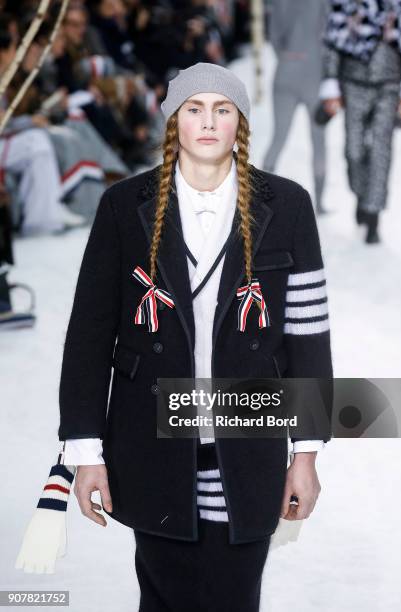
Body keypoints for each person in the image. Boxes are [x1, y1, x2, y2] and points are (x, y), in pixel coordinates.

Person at [58, 62, 333, 611]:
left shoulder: (287, 205)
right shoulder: (124, 207)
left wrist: (306, 453)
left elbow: (307, 332)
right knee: (163, 598)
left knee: (235, 596)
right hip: (150, 444)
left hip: (248, 441)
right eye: (194, 109)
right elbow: (89, 335)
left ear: (240, 124)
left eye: (222, 109)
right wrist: (85, 452)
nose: (208, 122)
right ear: (173, 123)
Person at [319, 0, 401, 244]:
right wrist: (330, 84)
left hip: (389, 83)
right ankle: (362, 194)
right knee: (353, 150)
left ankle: (373, 214)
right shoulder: (346, 4)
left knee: (381, 151)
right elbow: (332, 43)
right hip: (353, 82)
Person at [262, 0, 329, 215]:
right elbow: (328, 34)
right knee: (319, 139)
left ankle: (259, 197)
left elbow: (273, 37)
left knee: (278, 137)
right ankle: (319, 203)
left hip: (286, 71)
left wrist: (287, 57)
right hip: (314, 73)